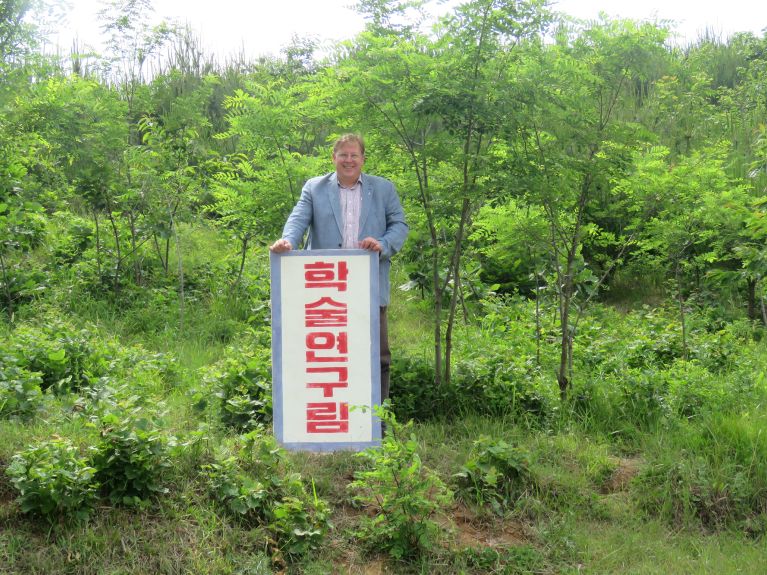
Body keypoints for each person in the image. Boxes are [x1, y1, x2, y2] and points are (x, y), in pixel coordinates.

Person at [270, 133, 408, 402]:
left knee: (376, 355)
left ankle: (376, 425)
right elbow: (298, 219)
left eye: (354, 155)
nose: (348, 160)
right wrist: (288, 240)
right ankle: (332, 423)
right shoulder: (315, 187)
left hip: (368, 285)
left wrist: (382, 244)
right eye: (343, 155)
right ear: (333, 158)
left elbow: (400, 225)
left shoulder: (383, 189)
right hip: (324, 290)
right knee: (326, 355)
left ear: (363, 159)